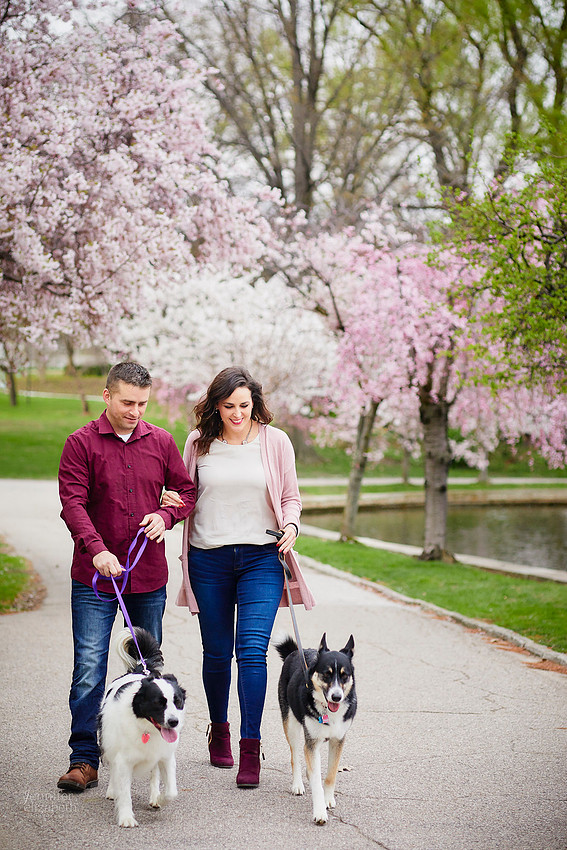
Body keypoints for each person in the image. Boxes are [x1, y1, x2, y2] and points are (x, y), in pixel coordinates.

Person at [170, 366, 315, 789]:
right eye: (229, 406)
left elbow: (290, 497)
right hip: (208, 559)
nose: (237, 414)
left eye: (244, 405)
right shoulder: (198, 443)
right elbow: (186, 494)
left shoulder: (276, 441)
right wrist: (168, 502)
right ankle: (219, 729)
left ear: (256, 403)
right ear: (216, 405)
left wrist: (291, 526)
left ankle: (251, 747)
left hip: (261, 559)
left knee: (251, 652)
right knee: (217, 654)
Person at [57, 361, 196, 793]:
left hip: (148, 576)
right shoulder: (80, 444)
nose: (135, 411)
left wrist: (166, 516)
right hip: (94, 578)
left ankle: (148, 753)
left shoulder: (161, 441)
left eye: (142, 403)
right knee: (89, 669)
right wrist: (96, 549)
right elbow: (72, 504)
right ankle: (84, 759)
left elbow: (186, 491)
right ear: (107, 396)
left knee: (148, 670)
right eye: (127, 402)